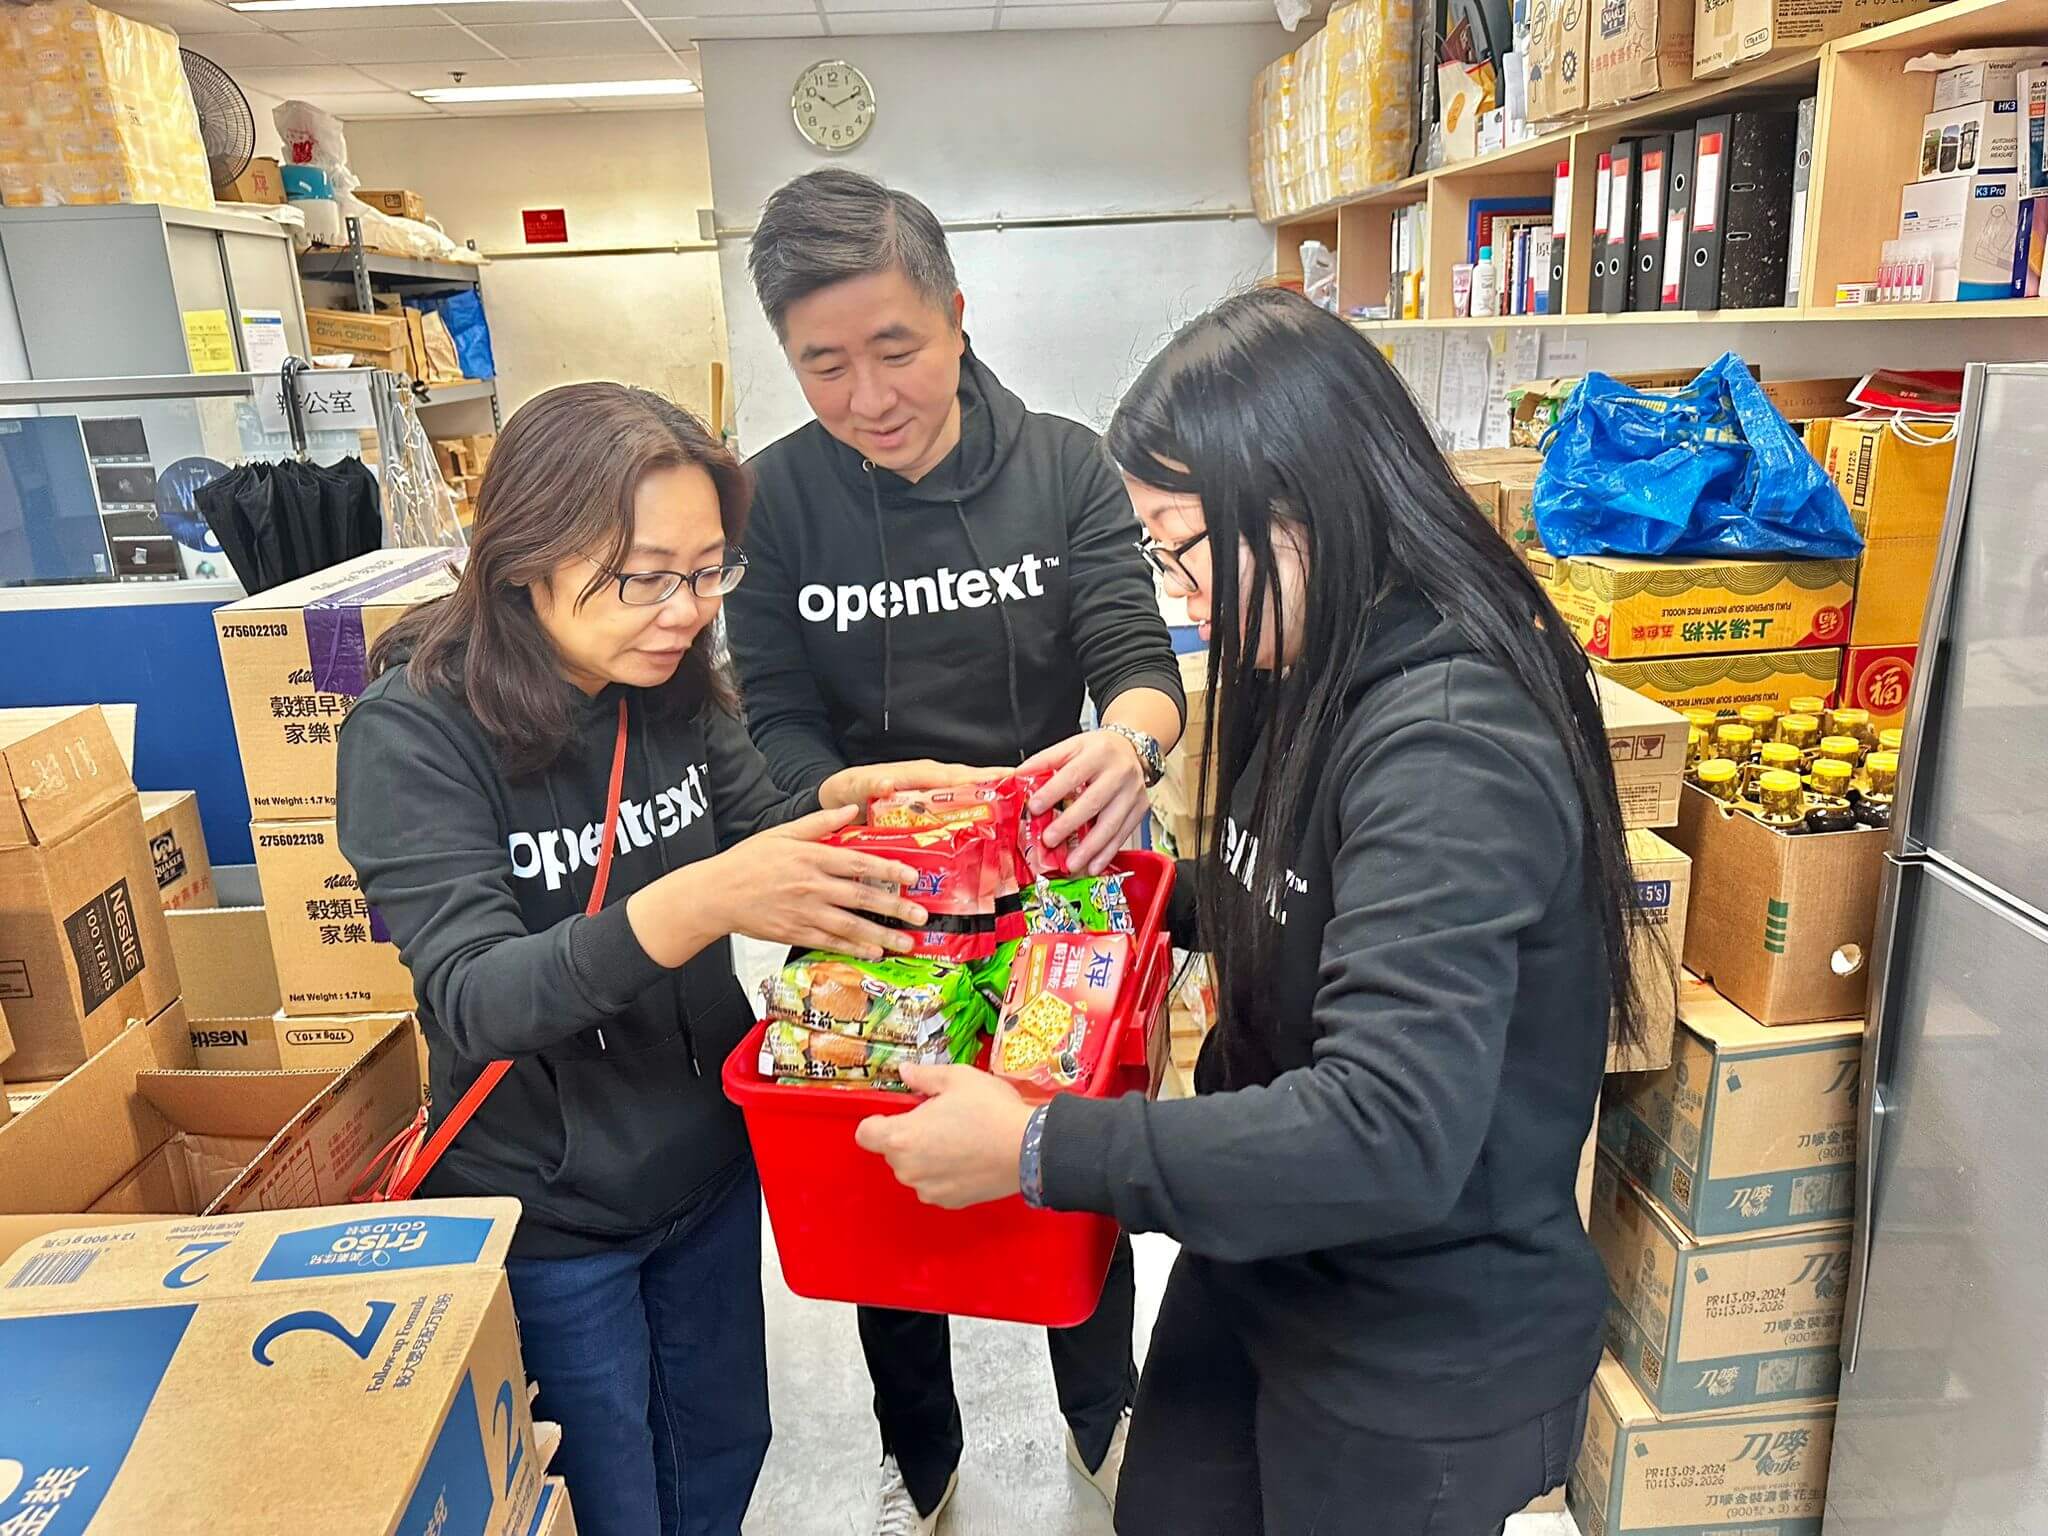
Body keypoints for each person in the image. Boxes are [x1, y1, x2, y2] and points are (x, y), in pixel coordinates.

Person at [854, 288, 1656, 1536]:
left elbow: (1384, 1130)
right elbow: (1288, 896)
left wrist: (1037, 1149)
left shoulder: (1449, 746)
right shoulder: (1312, 653)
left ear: (1305, 501)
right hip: (1269, 1257)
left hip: (1415, 1340)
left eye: (1183, 548)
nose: (1182, 598)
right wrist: (1088, 900)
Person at [336, 383, 974, 1536]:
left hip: (707, 1176)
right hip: (550, 1216)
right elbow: (477, 994)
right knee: (612, 1500)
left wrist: (859, 806)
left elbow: (759, 823)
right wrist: (697, 901)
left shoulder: (665, 690)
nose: (684, 610)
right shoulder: (415, 734)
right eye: (645, 577)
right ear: (527, 554)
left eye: (707, 572)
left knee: (722, 1460)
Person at [724, 168, 1187, 1533]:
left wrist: (1130, 747)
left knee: (1066, 1164)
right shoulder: (773, 502)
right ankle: (919, 1462)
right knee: (884, 1180)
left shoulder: (1061, 465)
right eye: (823, 365)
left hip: (1056, 897)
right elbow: (768, 717)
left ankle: (1104, 1428)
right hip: (869, 903)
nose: (868, 396)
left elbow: (1136, 657)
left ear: (957, 314)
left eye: (896, 349)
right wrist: (843, 790)